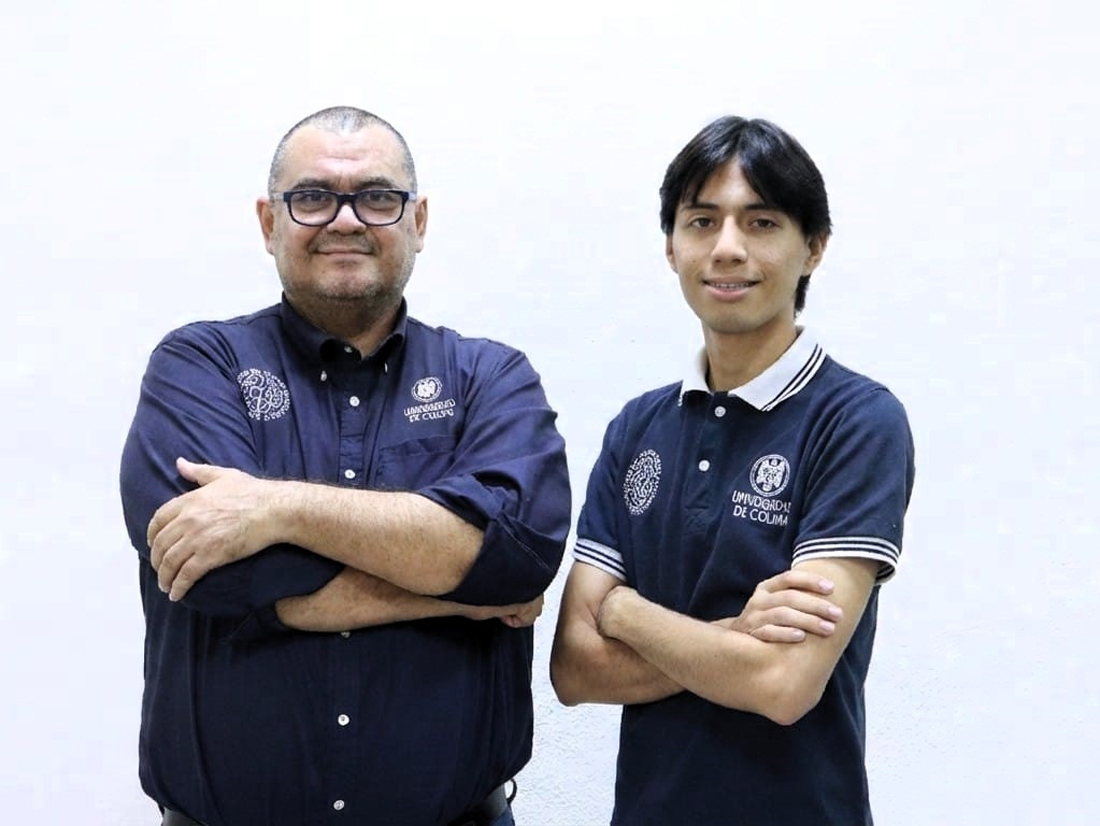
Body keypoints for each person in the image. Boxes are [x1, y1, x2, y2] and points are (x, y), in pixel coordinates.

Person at [120, 106, 571, 826]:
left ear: (418, 220)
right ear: (269, 222)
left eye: (377, 197)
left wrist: (276, 509)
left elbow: (518, 554)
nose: (345, 219)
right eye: (313, 197)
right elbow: (220, 576)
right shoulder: (198, 367)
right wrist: (460, 594)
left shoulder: (489, 378)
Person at [550, 115, 915, 825]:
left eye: (761, 222)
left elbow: (782, 684)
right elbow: (573, 667)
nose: (726, 248)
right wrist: (733, 638)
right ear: (671, 246)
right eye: (702, 221)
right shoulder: (637, 427)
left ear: (814, 247)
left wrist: (624, 612)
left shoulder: (856, 420)